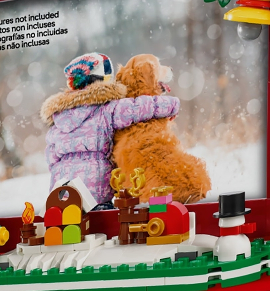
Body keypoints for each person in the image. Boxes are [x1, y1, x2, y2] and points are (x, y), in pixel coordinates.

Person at [40, 52, 179, 209]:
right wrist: (172, 105)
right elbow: (137, 108)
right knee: (102, 223)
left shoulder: (59, 118)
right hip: (95, 196)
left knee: (68, 221)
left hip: (61, 195)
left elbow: (51, 158)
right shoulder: (106, 109)